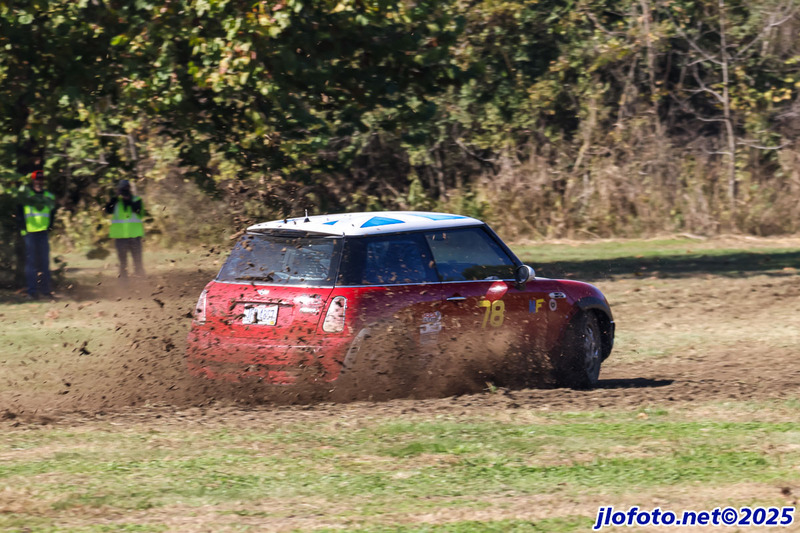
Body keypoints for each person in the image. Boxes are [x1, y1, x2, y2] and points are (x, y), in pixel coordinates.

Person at [17, 170, 57, 300]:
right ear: (33, 181)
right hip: (30, 233)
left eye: (41, 179)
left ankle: (46, 291)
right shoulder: (26, 196)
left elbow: (52, 213)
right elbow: (19, 212)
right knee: (31, 263)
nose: (39, 182)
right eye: (37, 179)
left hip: (43, 233)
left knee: (44, 263)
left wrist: (50, 227)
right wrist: (23, 229)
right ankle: (32, 292)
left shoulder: (48, 196)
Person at [104, 179, 146, 279]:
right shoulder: (115, 202)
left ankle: (142, 282)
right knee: (123, 264)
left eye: (126, 188)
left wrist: (128, 200)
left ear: (130, 189)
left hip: (135, 236)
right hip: (121, 237)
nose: (125, 190)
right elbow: (108, 210)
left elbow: (139, 212)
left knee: (138, 262)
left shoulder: (136, 200)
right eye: (122, 189)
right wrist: (115, 197)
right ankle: (124, 284)